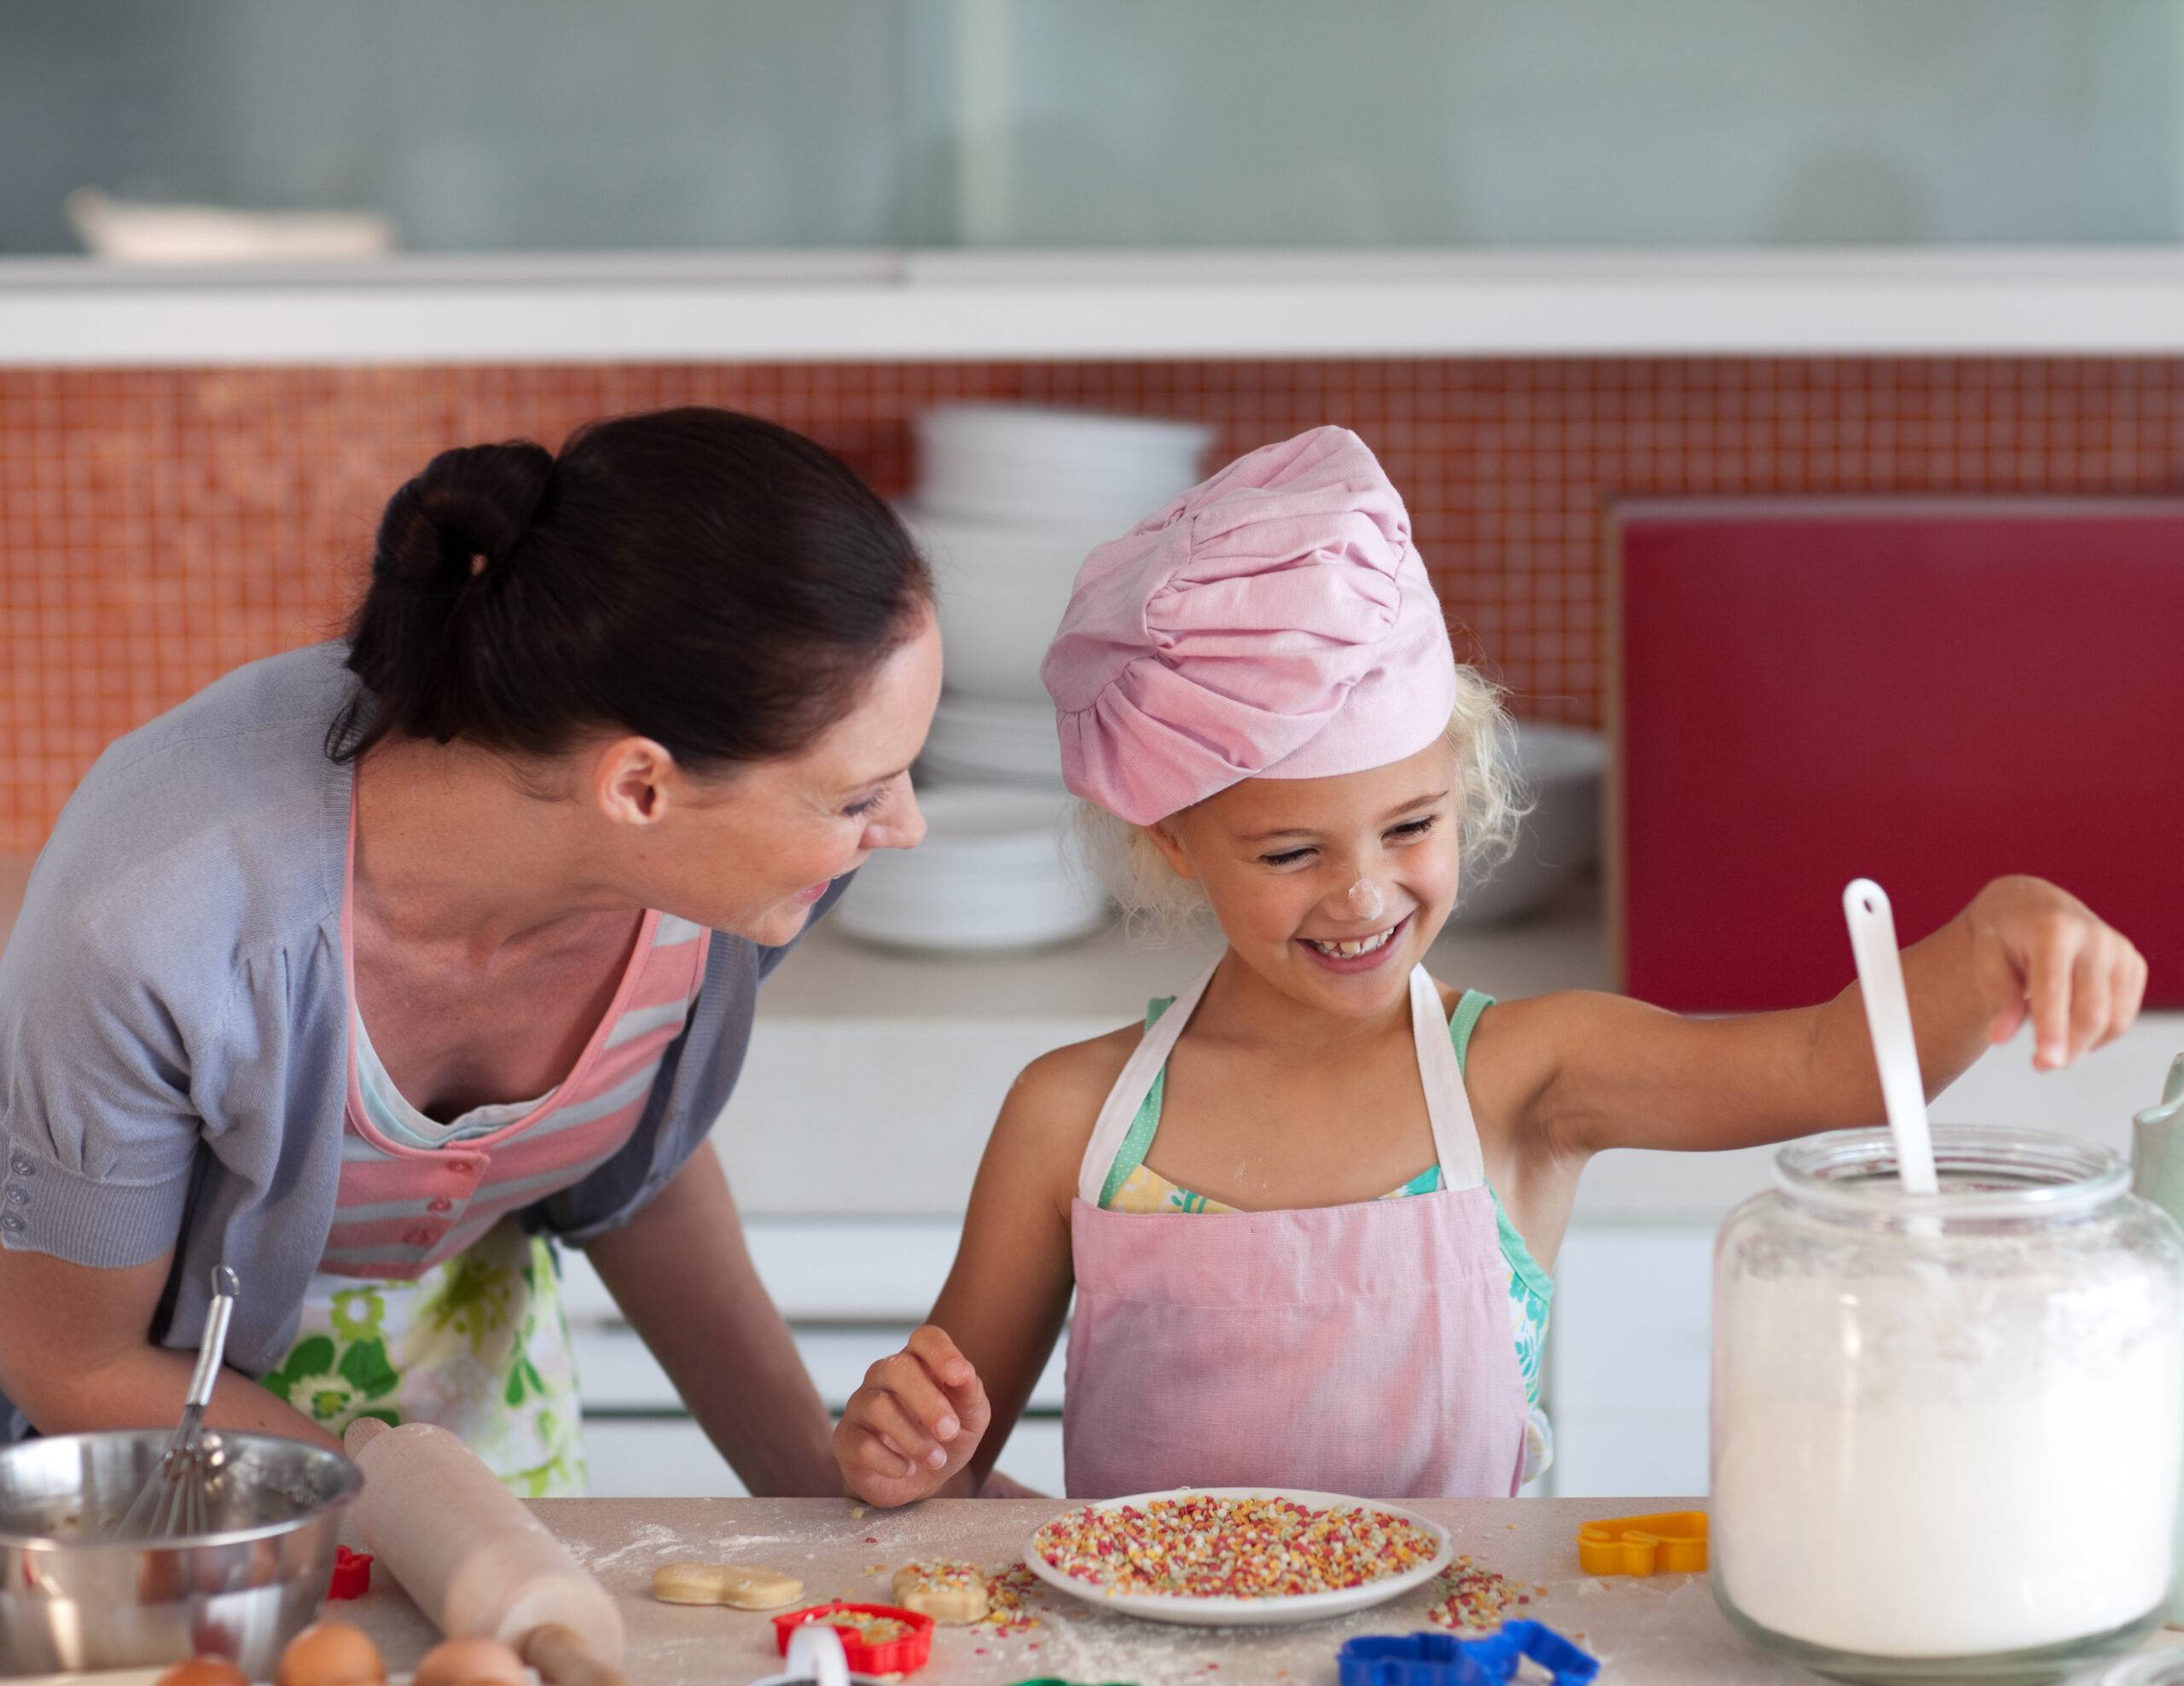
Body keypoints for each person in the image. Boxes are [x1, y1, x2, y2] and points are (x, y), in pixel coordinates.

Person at [833, 425, 2146, 1505]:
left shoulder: (1524, 1076)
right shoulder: (1074, 1117)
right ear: (1175, 843)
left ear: (1464, 788)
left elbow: (1830, 1064)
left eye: (1412, 827)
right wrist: (901, 1445)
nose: (1363, 892)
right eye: (1291, 851)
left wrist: (1998, 932)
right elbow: (948, 1461)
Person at [0, 407, 938, 1496]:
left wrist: (827, 1500)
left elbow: (642, 1175)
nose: (905, 826)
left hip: (483, 1419)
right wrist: (434, 1528)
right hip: (181, 1463)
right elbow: (79, 1359)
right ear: (639, 786)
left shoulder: (728, 884)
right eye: (859, 793)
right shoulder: (156, 926)